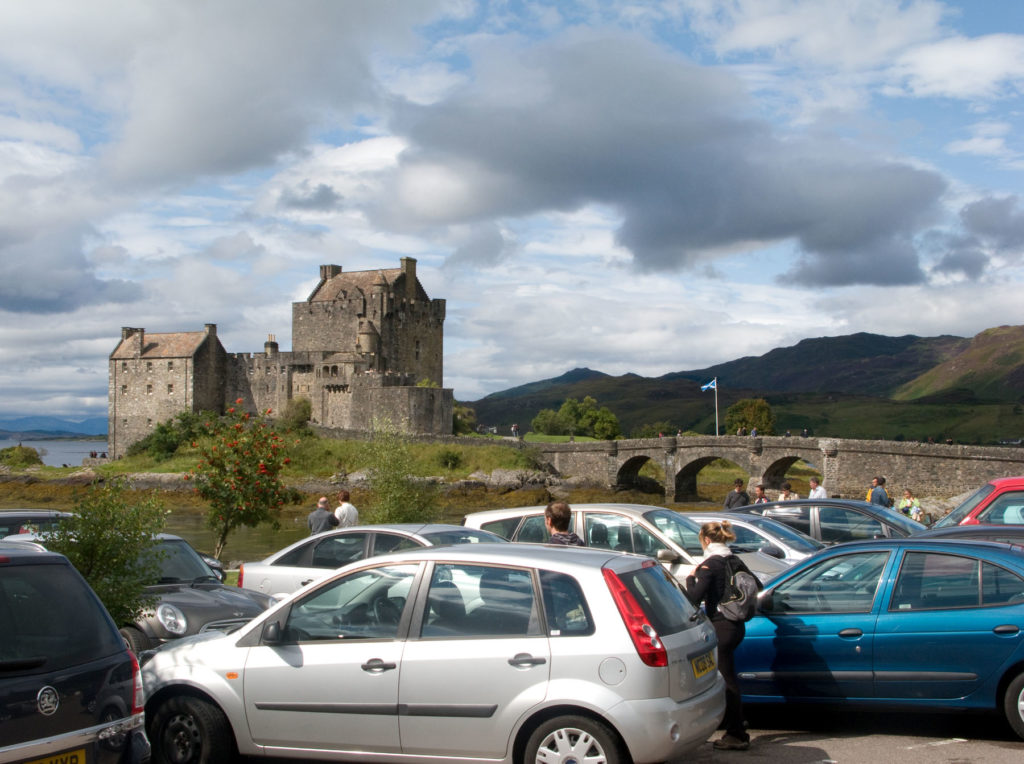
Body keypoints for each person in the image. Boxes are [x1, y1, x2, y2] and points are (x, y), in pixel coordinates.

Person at [684, 520, 759, 751]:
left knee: (727, 681)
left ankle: (737, 733)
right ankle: (734, 721)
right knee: (726, 676)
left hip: (722, 626)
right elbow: (756, 583)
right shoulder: (734, 559)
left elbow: (693, 599)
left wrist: (690, 577)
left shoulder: (711, 564)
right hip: (737, 625)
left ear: (706, 540)